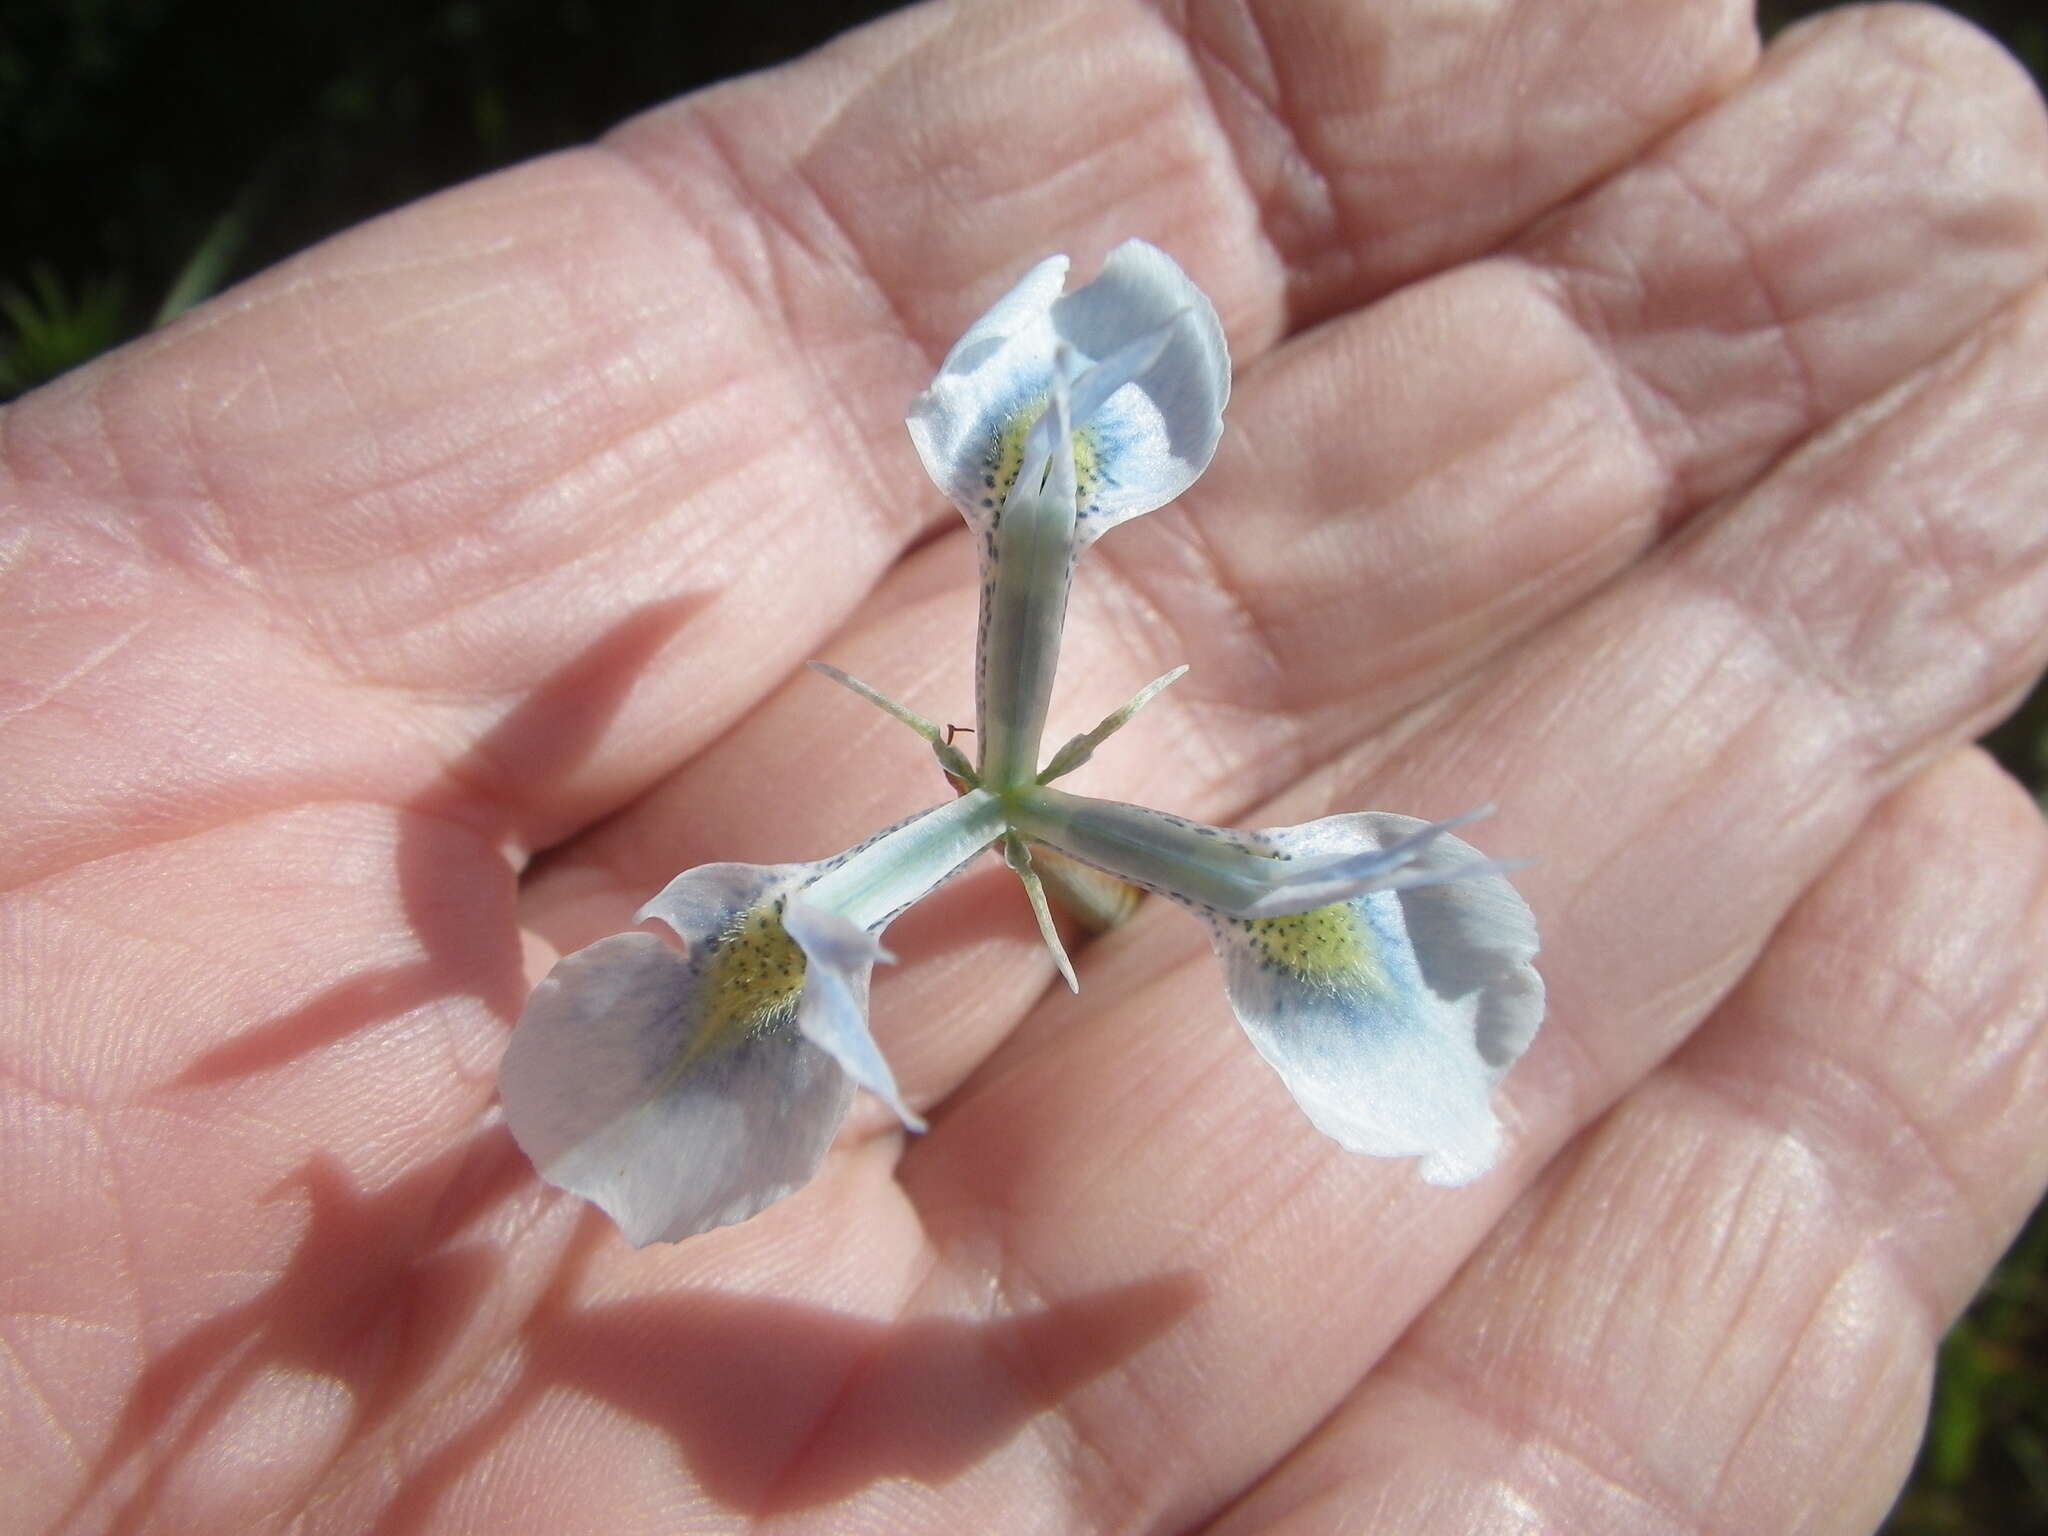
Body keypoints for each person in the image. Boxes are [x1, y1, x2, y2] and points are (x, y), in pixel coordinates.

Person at [5, 1, 2046, 1529]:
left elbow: (1049, 476)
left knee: (1242, 876)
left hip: (1028, 820)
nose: (1042, 482)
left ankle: (1168, 894)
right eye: (1035, 475)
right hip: (939, 848)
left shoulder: (1081, 612)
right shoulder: (797, 921)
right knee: (867, 926)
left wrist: (1226, 870)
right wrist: (794, 944)